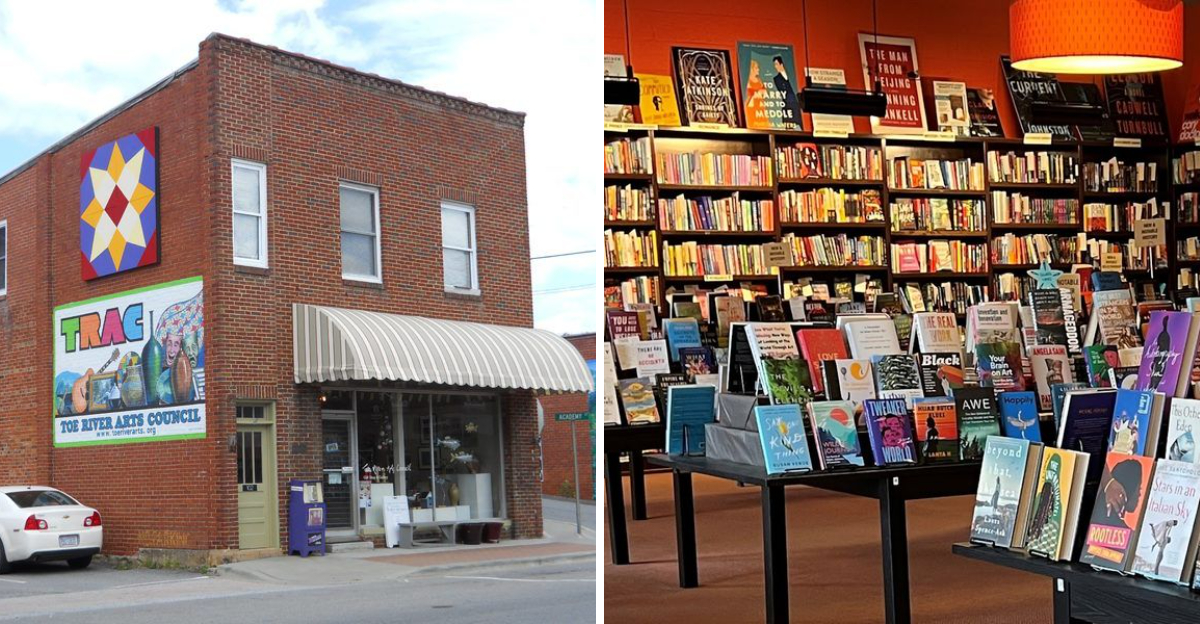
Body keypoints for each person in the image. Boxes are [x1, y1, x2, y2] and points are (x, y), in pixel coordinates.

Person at [772, 56, 800, 129]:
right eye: (774, 65)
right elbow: (782, 91)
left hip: (798, 104)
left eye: (776, 64)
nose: (775, 66)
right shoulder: (776, 79)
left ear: (782, 64)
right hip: (788, 105)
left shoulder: (793, 74)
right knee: (789, 128)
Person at [743, 59, 768, 127]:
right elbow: (748, 97)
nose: (758, 69)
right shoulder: (747, 81)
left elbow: (764, 94)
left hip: (760, 109)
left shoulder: (759, 80)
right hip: (751, 109)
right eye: (756, 67)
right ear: (751, 69)